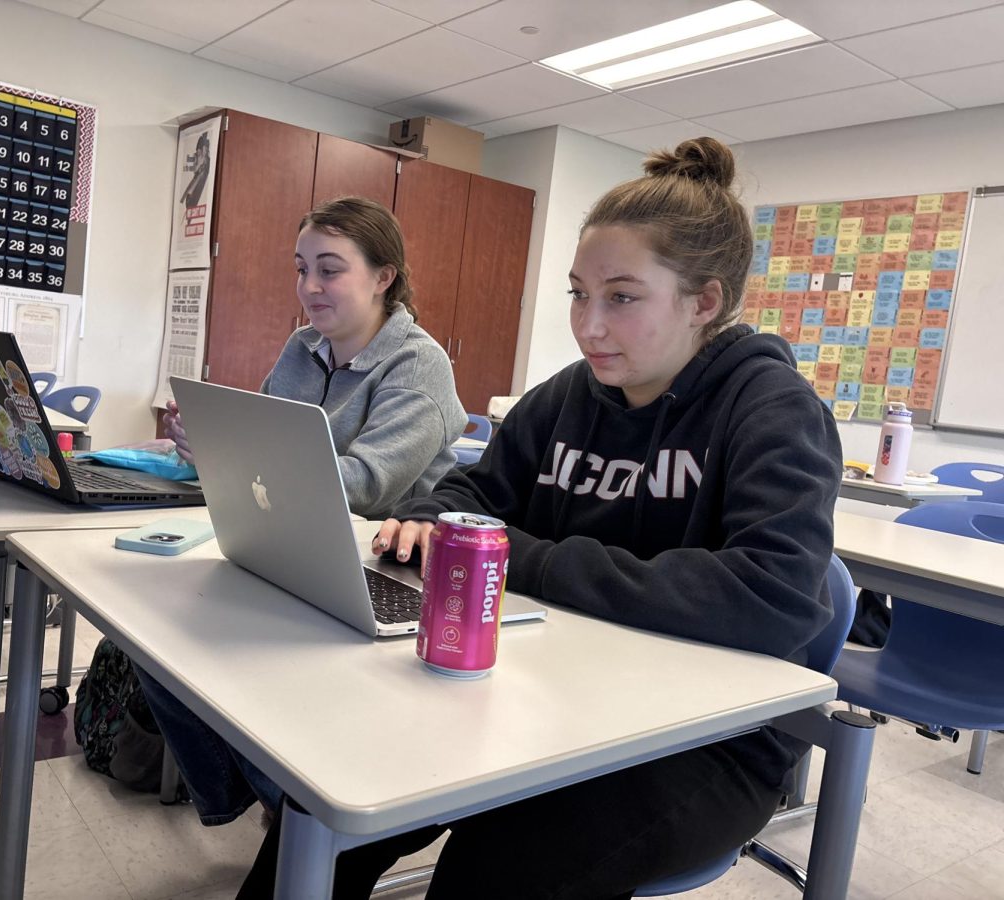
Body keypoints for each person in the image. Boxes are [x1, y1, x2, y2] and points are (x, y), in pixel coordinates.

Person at [236, 138, 844, 898]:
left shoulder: (774, 410)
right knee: (326, 801)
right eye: (577, 294)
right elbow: (468, 492)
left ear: (706, 302)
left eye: (621, 297)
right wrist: (428, 518)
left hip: (702, 740)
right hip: (549, 692)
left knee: (494, 869)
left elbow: (774, 597)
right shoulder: (566, 396)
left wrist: (525, 557)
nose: (589, 324)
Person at [140, 195, 468, 829]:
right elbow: (264, 445)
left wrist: (233, 452)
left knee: (209, 645)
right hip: (295, 543)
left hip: (380, 568)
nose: (309, 286)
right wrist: (208, 446)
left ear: (383, 277)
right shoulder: (303, 346)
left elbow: (369, 487)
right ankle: (251, 792)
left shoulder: (419, 363)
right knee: (154, 635)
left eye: (330, 268)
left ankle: (297, 808)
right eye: (301, 268)